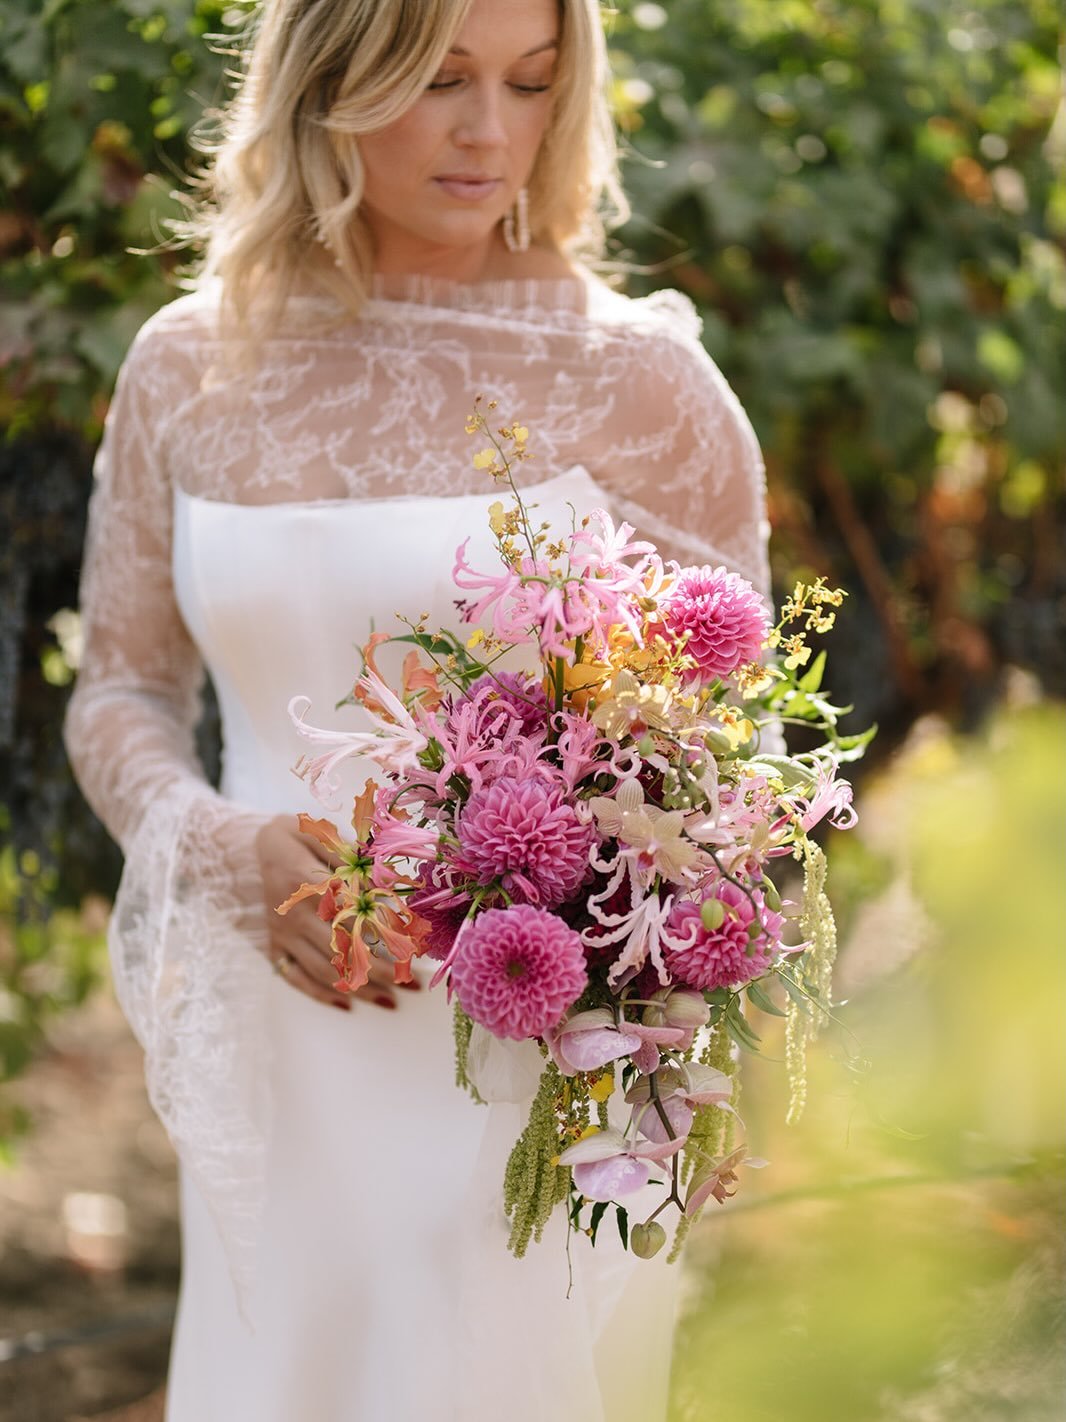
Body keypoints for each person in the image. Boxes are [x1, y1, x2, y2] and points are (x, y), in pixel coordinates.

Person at [64, 1, 772, 1417]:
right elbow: (124, 688)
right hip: (286, 1045)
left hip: (531, 1055)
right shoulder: (188, 367)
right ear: (329, 78)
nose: (489, 131)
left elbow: (727, 771)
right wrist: (218, 842)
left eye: (529, 81)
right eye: (438, 80)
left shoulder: (642, 382)